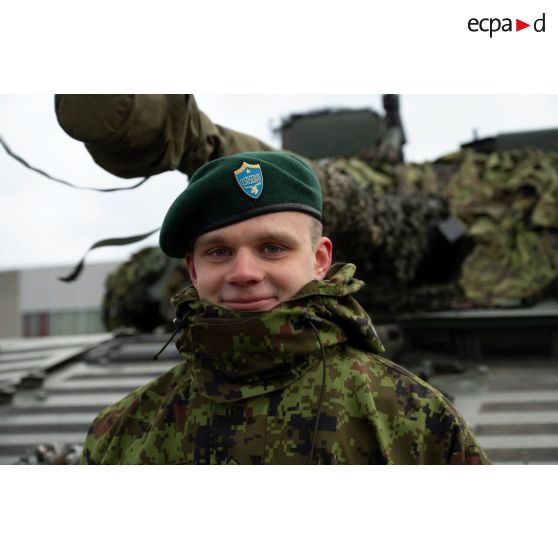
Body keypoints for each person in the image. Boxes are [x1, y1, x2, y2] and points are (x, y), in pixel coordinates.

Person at [81, 151, 490, 465]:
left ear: (320, 259)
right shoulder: (123, 430)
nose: (244, 273)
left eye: (272, 248)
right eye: (219, 252)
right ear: (193, 269)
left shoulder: (411, 415)